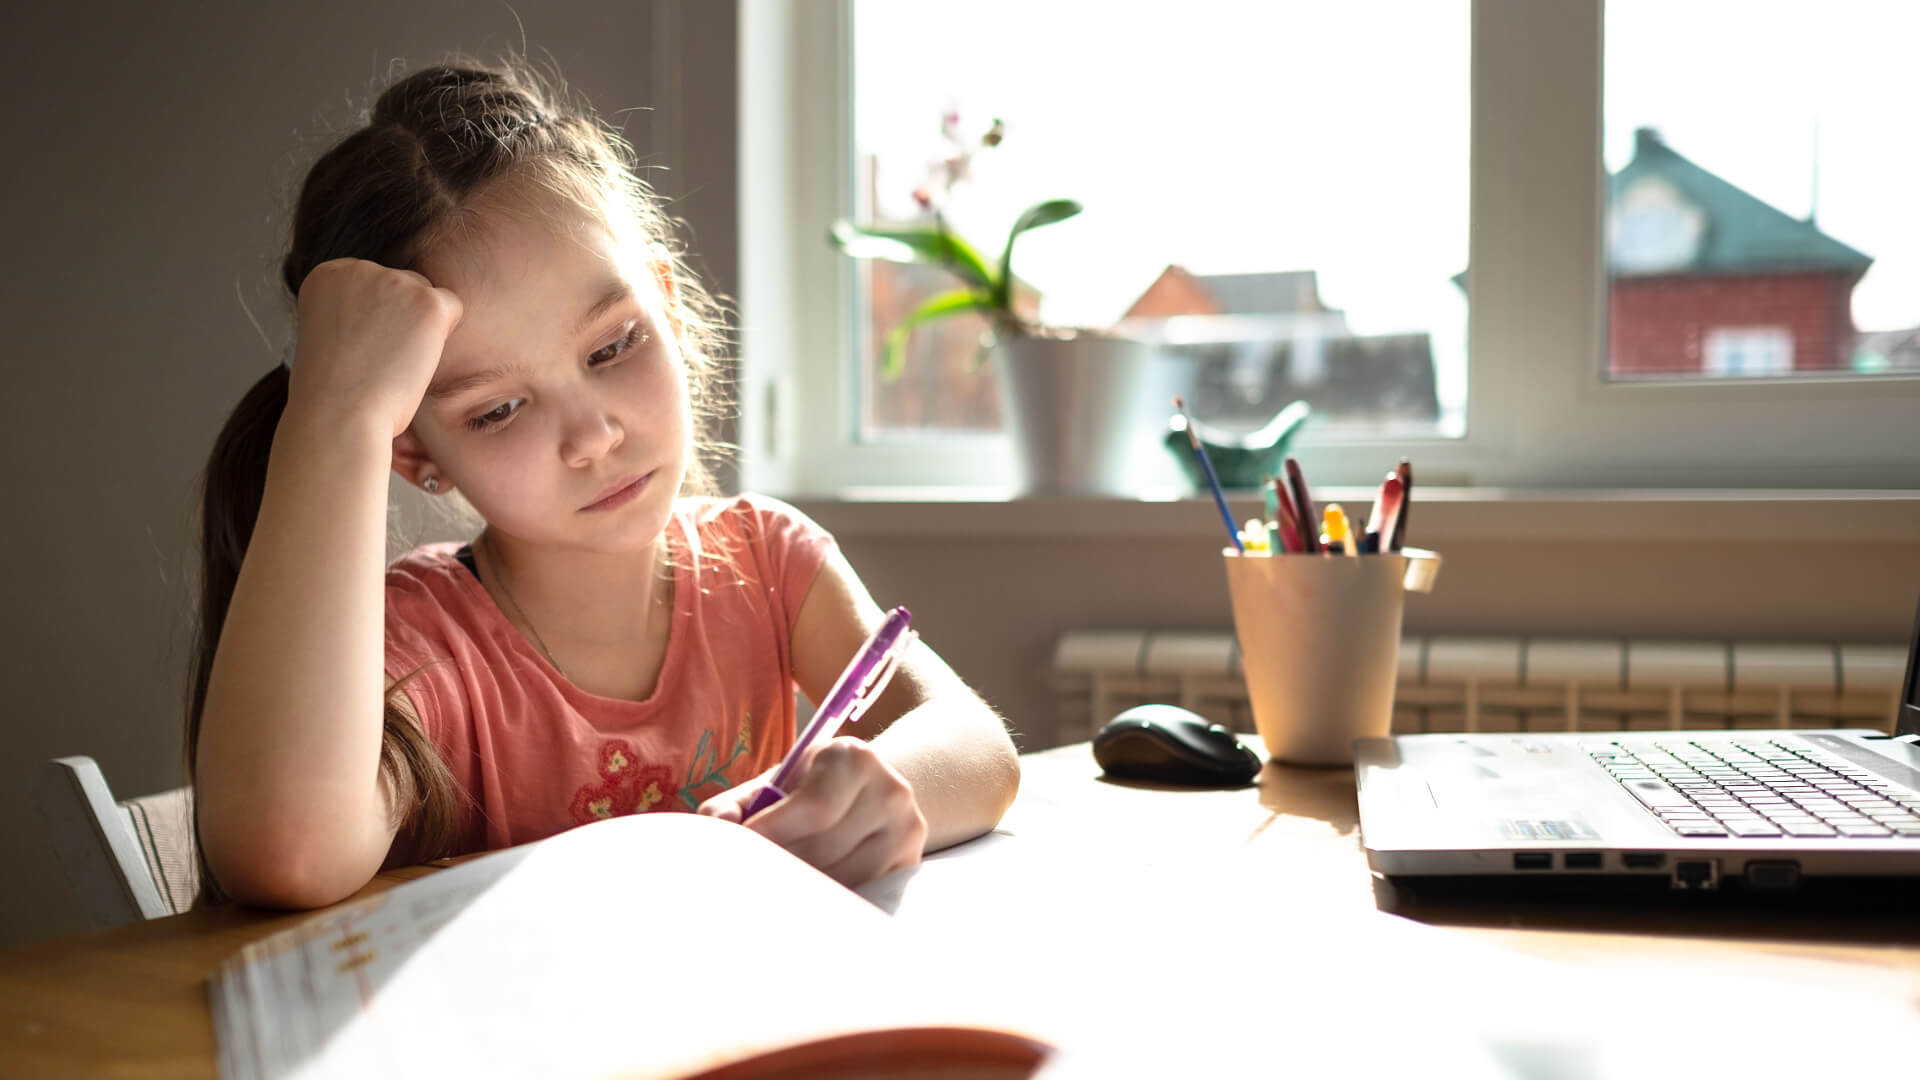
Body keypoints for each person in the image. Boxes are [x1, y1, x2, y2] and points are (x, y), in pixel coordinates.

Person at [186, 57, 1021, 910]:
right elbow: (283, 851)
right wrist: (336, 418)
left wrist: (883, 787)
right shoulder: (421, 647)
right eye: (500, 409)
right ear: (412, 454)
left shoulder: (771, 565)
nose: (592, 436)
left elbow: (979, 751)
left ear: (666, 303)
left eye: (613, 346)